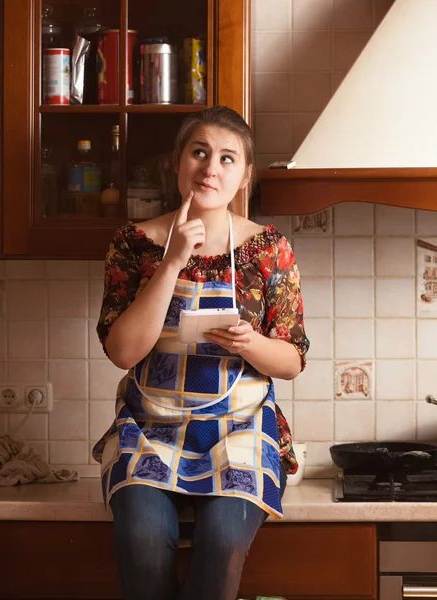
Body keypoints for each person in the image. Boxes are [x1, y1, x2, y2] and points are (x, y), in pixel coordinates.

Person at [93, 105, 309, 600]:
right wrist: (171, 264)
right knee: (141, 539)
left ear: (245, 175)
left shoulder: (269, 250)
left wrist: (250, 343)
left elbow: (293, 361)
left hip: (241, 430)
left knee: (222, 537)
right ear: (178, 161)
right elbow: (123, 352)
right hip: (150, 429)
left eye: (228, 158)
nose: (212, 167)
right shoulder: (135, 244)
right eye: (200, 152)